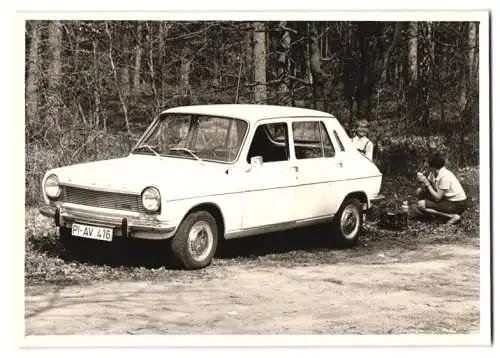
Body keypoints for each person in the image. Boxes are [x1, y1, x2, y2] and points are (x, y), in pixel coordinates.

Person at [414, 152, 468, 224]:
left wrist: (426, 182)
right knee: (419, 191)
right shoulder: (433, 173)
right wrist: (421, 180)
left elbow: (437, 197)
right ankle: (438, 216)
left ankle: (451, 216)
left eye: (427, 162)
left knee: (421, 204)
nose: (425, 164)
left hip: (457, 204)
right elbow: (428, 187)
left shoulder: (445, 175)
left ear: (433, 166)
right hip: (447, 199)